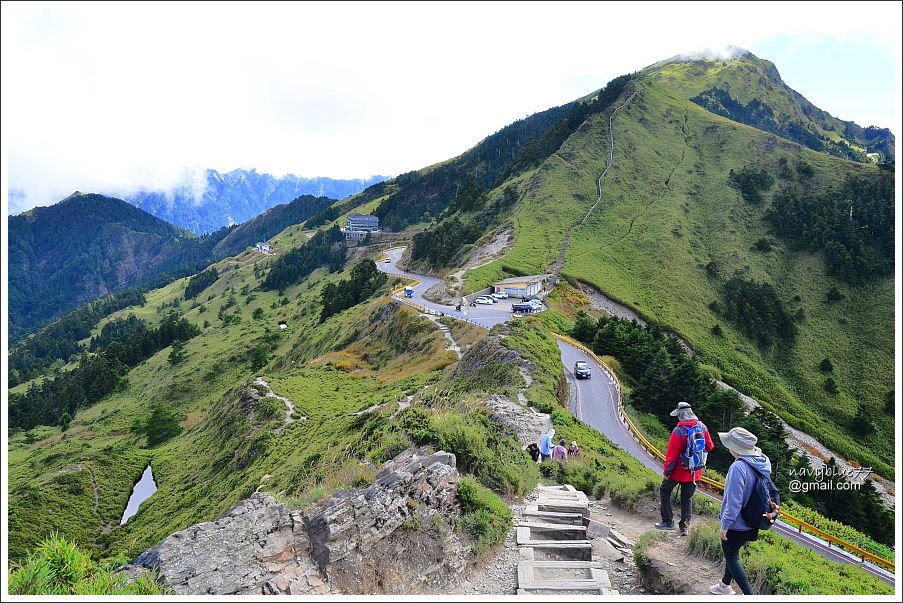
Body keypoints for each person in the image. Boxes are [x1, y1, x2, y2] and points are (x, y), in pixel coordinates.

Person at [709, 427, 777, 596]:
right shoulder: (760, 462)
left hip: (736, 524)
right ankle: (724, 585)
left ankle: (749, 595)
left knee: (731, 558)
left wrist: (725, 525)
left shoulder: (738, 467)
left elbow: (734, 502)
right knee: (733, 553)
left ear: (736, 448)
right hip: (751, 521)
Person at [655, 401, 714, 536]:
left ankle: (668, 521)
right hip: (694, 471)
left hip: (678, 470)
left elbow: (672, 455)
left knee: (665, 490)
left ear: (681, 415)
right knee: (687, 498)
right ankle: (684, 527)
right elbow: (710, 447)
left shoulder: (679, 430)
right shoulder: (702, 427)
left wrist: (667, 471)